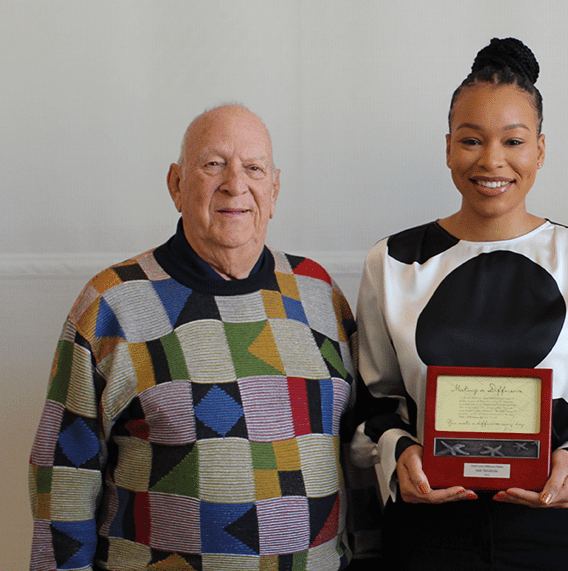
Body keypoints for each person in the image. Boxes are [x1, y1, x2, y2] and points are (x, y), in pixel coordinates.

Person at [28, 105, 380, 570]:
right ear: (176, 184)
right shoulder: (113, 304)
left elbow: (358, 455)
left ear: (274, 190)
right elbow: (63, 477)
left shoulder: (319, 294)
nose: (236, 184)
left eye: (253, 169)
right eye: (213, 164)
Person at [354, 38, 568, 570]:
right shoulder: (393, 262)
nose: (492, 160)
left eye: (513, 141)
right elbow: (372, 401)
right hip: (427, 533)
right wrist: (400, 452)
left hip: (559, 530)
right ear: (448, 146)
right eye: (472, 140)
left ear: (540, 149)